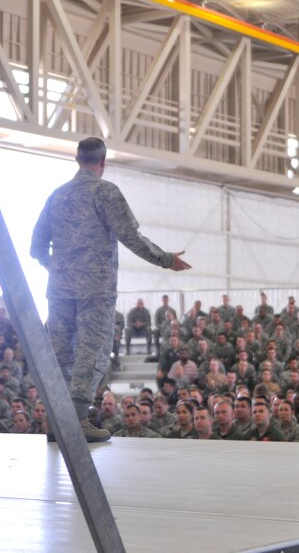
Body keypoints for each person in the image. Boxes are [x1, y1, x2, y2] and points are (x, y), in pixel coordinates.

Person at [31, 137, 190, 442]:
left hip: (59, 290)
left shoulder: (57, 196)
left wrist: (55, 268)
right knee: (92, 351)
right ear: (102, 162)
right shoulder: (106, 193)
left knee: (60, 354)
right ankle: (78, 420)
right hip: (96, 289)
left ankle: (55, 421)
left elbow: (36, 246)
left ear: (77, 160)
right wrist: (166, 259)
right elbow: (131, 236)